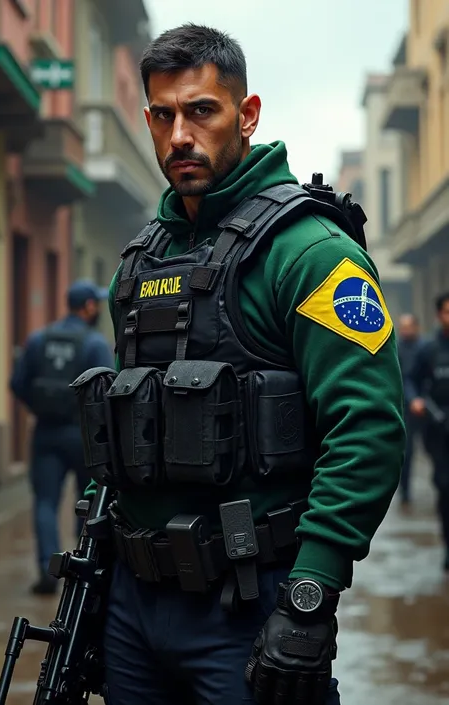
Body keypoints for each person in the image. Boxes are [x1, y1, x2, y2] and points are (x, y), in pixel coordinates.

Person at [80, 25, 405, 705]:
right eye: (163, 115)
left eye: (202, 110)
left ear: (247, 114)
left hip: (250, 606)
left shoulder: (311, 252)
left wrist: (311, 596)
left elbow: (368, 428)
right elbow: (122, 435)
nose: (179, 136)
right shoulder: (140, 263)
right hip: (134, 611)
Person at [10, 280, 114, 595]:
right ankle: (84, 567)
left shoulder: (38, 339)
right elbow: (107, 389)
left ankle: (47, 570)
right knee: (89, 501)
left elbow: (17, 383)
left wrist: (39, 407)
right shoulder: (94, 344)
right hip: (84, 436)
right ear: (89, 307)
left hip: (46, 434)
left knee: (44, 502)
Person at [408, 293, 449, 571]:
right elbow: (411, 378)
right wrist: (416, 400)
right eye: (447, 312)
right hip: (439, 430)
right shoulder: (429, 349)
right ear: (439, 315)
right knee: (446, 487)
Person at [397, 313, 423, 506]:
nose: (405, 330)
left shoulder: (425, 348)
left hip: (427, 405)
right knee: (407, 452)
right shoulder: (396, 348)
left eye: (408, 326)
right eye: (402, 327)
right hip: (406, 406)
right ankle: (404, 491)